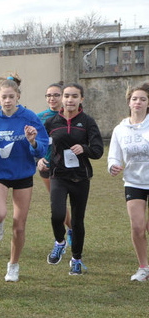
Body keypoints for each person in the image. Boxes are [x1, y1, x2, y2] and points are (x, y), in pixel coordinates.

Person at [0, 78, 49, 282]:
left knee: (19, 226)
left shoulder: (30, 117)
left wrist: (33, 142)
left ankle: (13, 265)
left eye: (11, 97)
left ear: (18, 96)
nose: (7, 101)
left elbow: (43, 148)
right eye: (3, 97)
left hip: (23, 175)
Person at [40, 83, 104, 275]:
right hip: (58, 175)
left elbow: (98, 150)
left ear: (81, 99)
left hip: (80, 178)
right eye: (67, 96)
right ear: (62, 99)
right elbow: (44, 146)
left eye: (74, 96)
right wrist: (41, 157)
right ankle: (60, 242)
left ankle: (76, 258)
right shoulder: (52, 122)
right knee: (57, 215)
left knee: (77, 221)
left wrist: (84, 148)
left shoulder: (87, 121)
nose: (70, 100)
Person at [109, 83, 149, 281]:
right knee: (137, 227)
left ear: (148, 103)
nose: (138, 102)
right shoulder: (120, 129)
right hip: (133, 182)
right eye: (135, 99)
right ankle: (143, 267)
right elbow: (113, 157)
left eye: (143, 99)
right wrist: (113, 166)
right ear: (129, 102)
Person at [37, 82, 72, 244]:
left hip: (68, 167)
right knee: (58, 203)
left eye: (56, 95)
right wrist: (39, 159)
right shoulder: (40, 117)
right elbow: (33, 142)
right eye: (49, 95)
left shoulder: (71, 116)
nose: (52, 98)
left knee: (72, 202)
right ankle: (70, 230)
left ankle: (73, 229)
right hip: (48, 167)